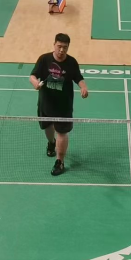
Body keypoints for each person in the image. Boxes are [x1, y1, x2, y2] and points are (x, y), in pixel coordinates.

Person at [30, 33, 89, 176]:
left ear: (68, 47)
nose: (62, 50)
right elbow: (33, 75)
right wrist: (35, 83)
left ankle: (60, 161)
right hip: (45, 103)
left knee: (62, 132)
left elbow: (78, 77)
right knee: (47, 127)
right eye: (59, 46)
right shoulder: (44, 59)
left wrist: (83, 87)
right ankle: (51, 142)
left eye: (65, 47)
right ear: (54, 45)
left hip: (64, 106)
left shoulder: (71, 62)